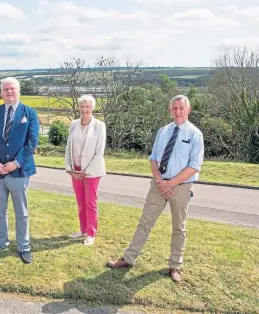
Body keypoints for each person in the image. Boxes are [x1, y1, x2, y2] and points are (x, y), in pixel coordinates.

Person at [107, 95, 204, 283]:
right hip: (158, 185)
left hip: (181, 188)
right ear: (170, 110)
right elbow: (153, 158)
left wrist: (171, 183)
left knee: (179, 227)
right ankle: (128, 259)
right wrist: (160, 180)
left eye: (181, 108)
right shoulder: (163, 131)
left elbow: (194, 166)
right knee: (145, 222)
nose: (177, 112)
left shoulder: (195, 134)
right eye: (174, 108)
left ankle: (175, 266)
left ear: (188, 110)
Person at [0, 77, 39, 264]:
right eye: (6, 89)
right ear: (1, 92)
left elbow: (31, 142)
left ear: (19, 91)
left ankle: (24, 246)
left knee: (21, 212)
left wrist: (16, 162)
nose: (9, 92)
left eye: (12, 88)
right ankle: (1, 242)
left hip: (18, 172)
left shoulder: (29, 113)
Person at [65, 94, 106, 246]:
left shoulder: (99, 126)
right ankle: (82, 229)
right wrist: (69, 167)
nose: (84, 109)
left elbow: (99, 152)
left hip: (92, 171)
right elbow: (69, 147)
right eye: (82, 106)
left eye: (87, 106)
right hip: (75, 169)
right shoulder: (74, 124)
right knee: (80, 201)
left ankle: (91, 233)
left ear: (92, 108)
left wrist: (86, 171)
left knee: (91, 202)